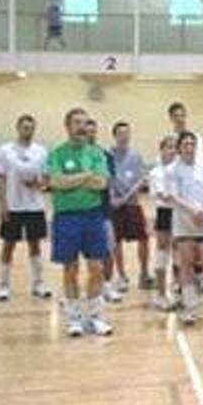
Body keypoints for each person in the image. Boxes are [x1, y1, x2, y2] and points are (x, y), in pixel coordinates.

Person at [45, 107, 113, 337]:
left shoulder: (96, 154)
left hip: (93, 215)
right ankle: (74, 318)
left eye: (85, 122)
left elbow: (101, 184)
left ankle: (95, 317)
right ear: (67, 126)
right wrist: (85, 176)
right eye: (77, 122)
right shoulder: (57, 154)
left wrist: (73, 179)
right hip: (66, 217)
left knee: (97, 267)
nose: (82, 127)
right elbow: (56, 181)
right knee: (70, 268)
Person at [165, 131, 203, 325]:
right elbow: (173, 196)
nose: (189, 147)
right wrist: (192, 210)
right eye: (185, 144)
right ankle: (191, 308)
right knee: (186, 265)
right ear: (179, 147)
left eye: (192, 144)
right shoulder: (172, 170)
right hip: (184, 224)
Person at [0, 114, 51, 301]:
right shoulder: (5, 150)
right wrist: (2, 204)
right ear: (17, 127)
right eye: (24, 127)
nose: (28, 130)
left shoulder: (41, 151)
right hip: (13, 206)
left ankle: (38, 284)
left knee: (35, 244)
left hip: (34, 206)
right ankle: (4, 286)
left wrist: (38, 184)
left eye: (31, 127)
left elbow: (47, 179)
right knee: (9, 245)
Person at [84, 118, 123, 303]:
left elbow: (107, 182)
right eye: (86, 131)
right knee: (83, 254)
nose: (90, 135)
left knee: (109, 249)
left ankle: (107, 286)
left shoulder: (105, 156)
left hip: (103, 212)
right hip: (81, 212)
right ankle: (85, 289)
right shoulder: (73, 155)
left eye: (93, 131)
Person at [109, 121, 151, 290]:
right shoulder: (108, 156)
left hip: (132, 203)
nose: (124, 136)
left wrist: (126, 197)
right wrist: (114, 197)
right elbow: (108, 178)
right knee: (116, 241)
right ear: (115, 135)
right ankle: (121, 276)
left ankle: (144, 274)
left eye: (127, 133)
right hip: (115, 204)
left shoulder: (136, 156)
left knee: (144, 239)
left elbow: (141, 180)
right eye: (120, 133)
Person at [148, 136, 177, 311]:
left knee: (181, 253)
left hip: (181, 212)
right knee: (162, 252)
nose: (172, 150)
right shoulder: (156, 172)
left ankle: (180, 290)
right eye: (168, 147)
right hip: (165, 213)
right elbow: (163, 195)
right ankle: (160, 294)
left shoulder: (181, 170)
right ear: (162, 150)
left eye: (174, 147)